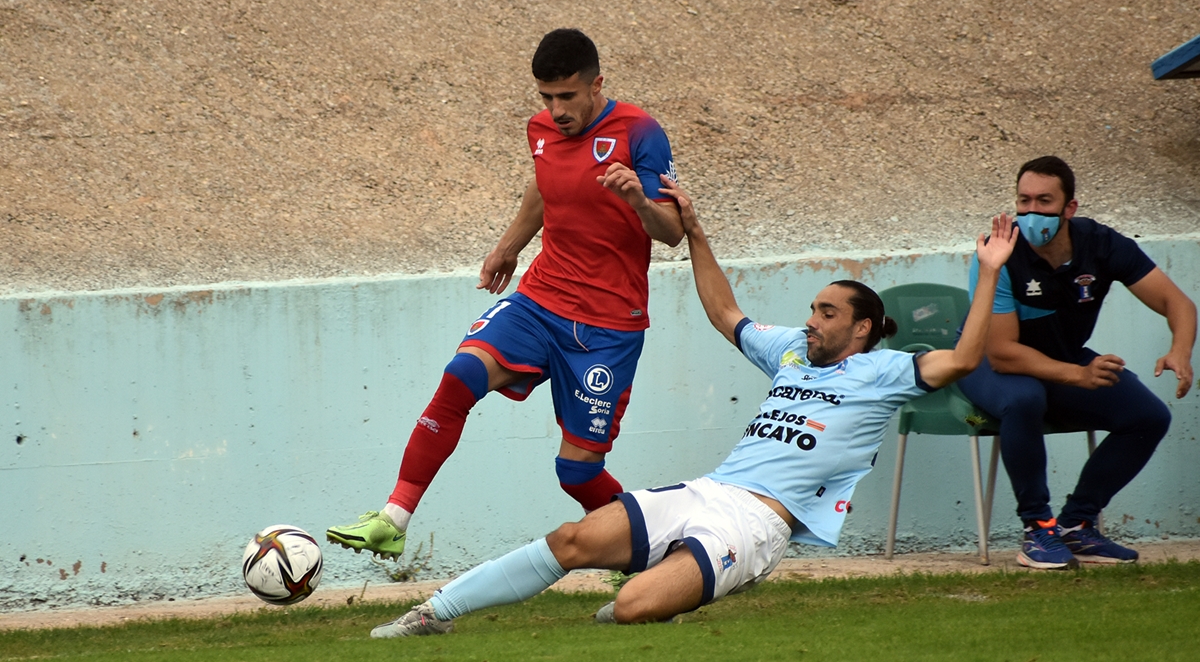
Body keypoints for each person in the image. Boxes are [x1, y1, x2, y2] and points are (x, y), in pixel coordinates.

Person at [364, 178, 1018, 637]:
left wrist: (989, 271)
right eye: (813, 309)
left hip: (758, 523)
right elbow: (725, 311)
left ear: (863, 328)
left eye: (826, 312)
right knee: (570, 540)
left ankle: (687, 583)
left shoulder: (887, 371)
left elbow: (964, 359)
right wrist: (697, 231)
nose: (811, 320)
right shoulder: (791, 350)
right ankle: (432, 612)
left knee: (632, 605)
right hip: (709, 488)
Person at [326, 29, 684, 560]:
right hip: (541, 298)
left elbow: (672, 231)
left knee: (577, 472)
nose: (556, 111)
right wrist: (507, 248)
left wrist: (638, 200)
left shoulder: (641, 132)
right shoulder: (540, 130)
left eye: (567, 96)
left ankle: (657, 552)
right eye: (546, 97)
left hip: (608, 325)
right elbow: (543, 186)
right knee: (460, 376)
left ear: (596, 85)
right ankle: (393, 519)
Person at [957, 156, 1196, 570]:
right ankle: (1037, 529)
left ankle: (1077, 524)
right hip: (986, 363)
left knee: (1148, 417)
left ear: (1069, 207)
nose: (1031, 211)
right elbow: (1003, 353)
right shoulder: (999, 253)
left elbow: (1178, 303)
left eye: (1044, 201)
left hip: (1061, 359)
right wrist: (1078, 374)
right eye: (1024, 200)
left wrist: (1180, 350)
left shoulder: (1102, 244)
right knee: (1025, 399)